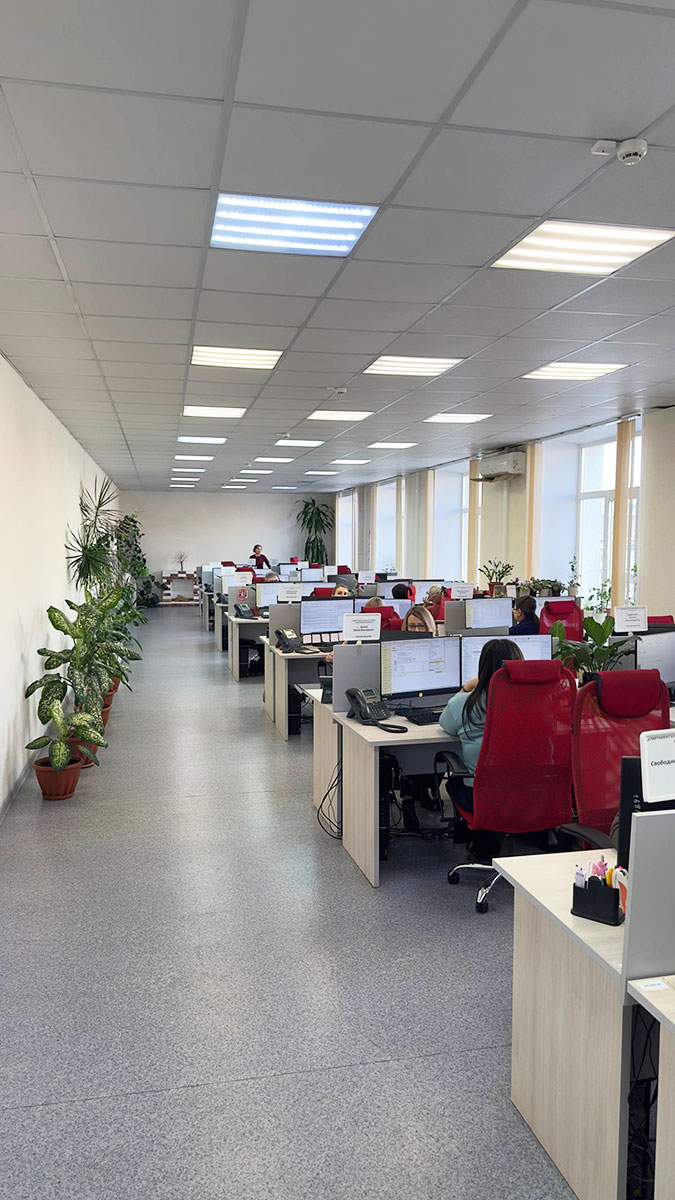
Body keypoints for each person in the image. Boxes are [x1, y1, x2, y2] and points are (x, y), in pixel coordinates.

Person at [439, 639, 524, 859]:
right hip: (530, 795)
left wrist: (465, 688)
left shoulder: (464, 704)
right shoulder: (538, 702)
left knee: (454, 782)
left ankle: (482, 840)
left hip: (481, 799)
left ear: (482, 668)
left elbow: (445, 724)